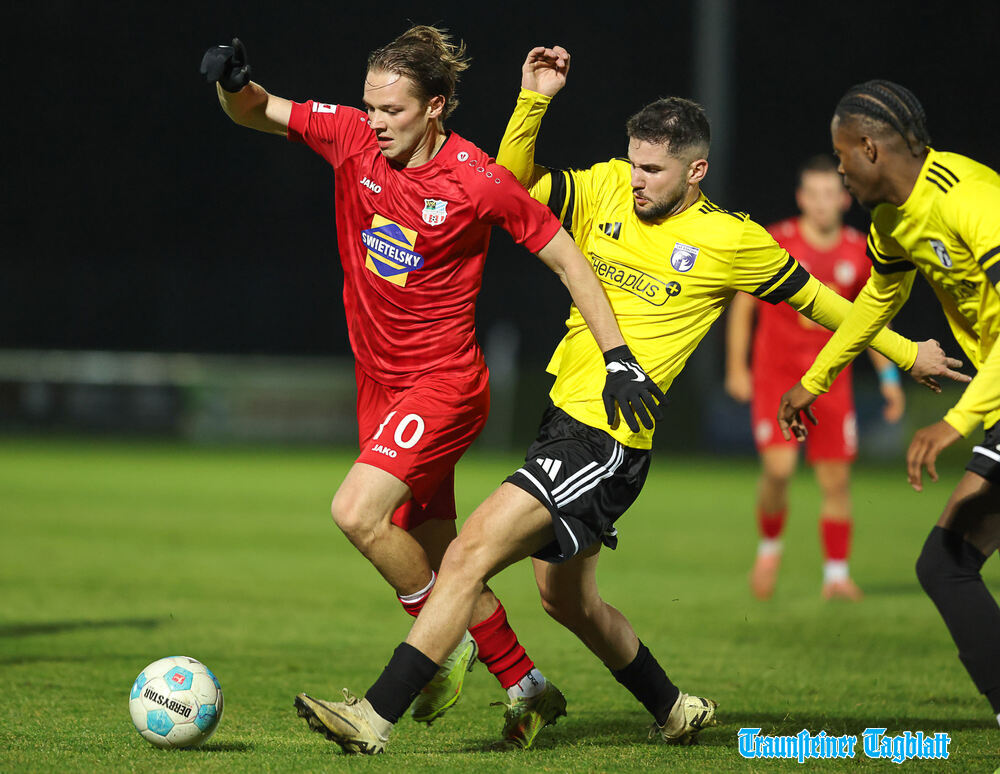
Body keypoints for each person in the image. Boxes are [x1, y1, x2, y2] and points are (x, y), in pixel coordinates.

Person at [287, 48, 967, 755]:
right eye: (634, 162)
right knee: (567, 602)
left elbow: (828, 304)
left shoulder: (734, 241)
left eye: (654, 169)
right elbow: (506, 187)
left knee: (466, 556)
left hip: (605, 438)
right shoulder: (607, 188)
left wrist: (906, 351)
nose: (636, 180)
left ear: (696, 171)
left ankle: (375, 716)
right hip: (564, 419)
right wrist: (534, 101)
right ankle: (673, 708)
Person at [200, 27, 661, 746]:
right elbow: (257, 110)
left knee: (357, 513)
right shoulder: (350, 136)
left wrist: (618, 357)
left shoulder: (476, 179)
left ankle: (436, 643)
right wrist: (232, 83)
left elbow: (570, 259)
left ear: (436, 107)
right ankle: (528, 687)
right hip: (379, 387)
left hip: (444, 385)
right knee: (443, 557)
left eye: (393, 110)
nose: (376, 121)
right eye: (371, 106)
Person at [778, 79, 1000, 726]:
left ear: (870, 148)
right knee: (947, 565)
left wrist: (954, 423)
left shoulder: (974, 203)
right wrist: (815, 381)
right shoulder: (891, 219)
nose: (839, 169)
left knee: (946, 563)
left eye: (842, 154)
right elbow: (880, 299)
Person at [726, 155, 906, 601]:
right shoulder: (776, 241)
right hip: (777, 377)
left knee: (836, 481)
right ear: (801, 198)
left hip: (830, 381)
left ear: (845, 199)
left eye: (831, 193)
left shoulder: (858, 251)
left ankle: (837, 576)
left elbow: (869, 323)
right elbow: (743, 306)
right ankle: (769, 550)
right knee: (779, 469)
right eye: (814, 194)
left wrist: (889, 379)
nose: (823, 203)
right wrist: (736, 367)